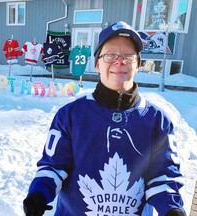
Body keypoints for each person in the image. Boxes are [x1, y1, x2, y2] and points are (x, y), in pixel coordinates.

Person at [23, 21, 186, 216]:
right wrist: (39, 194)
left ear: (138, 64)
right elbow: (53, 167)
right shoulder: (70, 115)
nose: (119, 61)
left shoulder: (157, 120)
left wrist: (172, 209)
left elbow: (163, 177)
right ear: (97, 63)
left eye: (128, 56)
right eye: (110, 55)